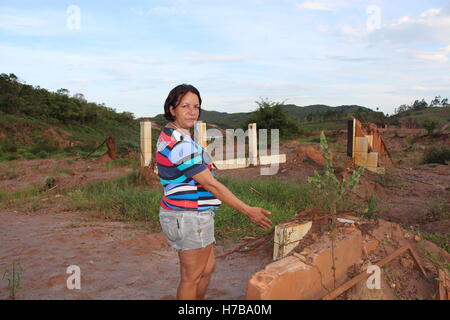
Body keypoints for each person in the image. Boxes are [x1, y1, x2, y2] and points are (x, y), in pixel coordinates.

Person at [156, 84, 273, 300]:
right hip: (189, 216)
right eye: (185, 106)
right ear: (172, 109)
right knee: (191, 278)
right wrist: (248, 210)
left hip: (194, 214)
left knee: (207, 268)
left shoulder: (172, 134)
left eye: (196, 106)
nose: (192, 111)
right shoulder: (180, 144)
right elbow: (211, 185)